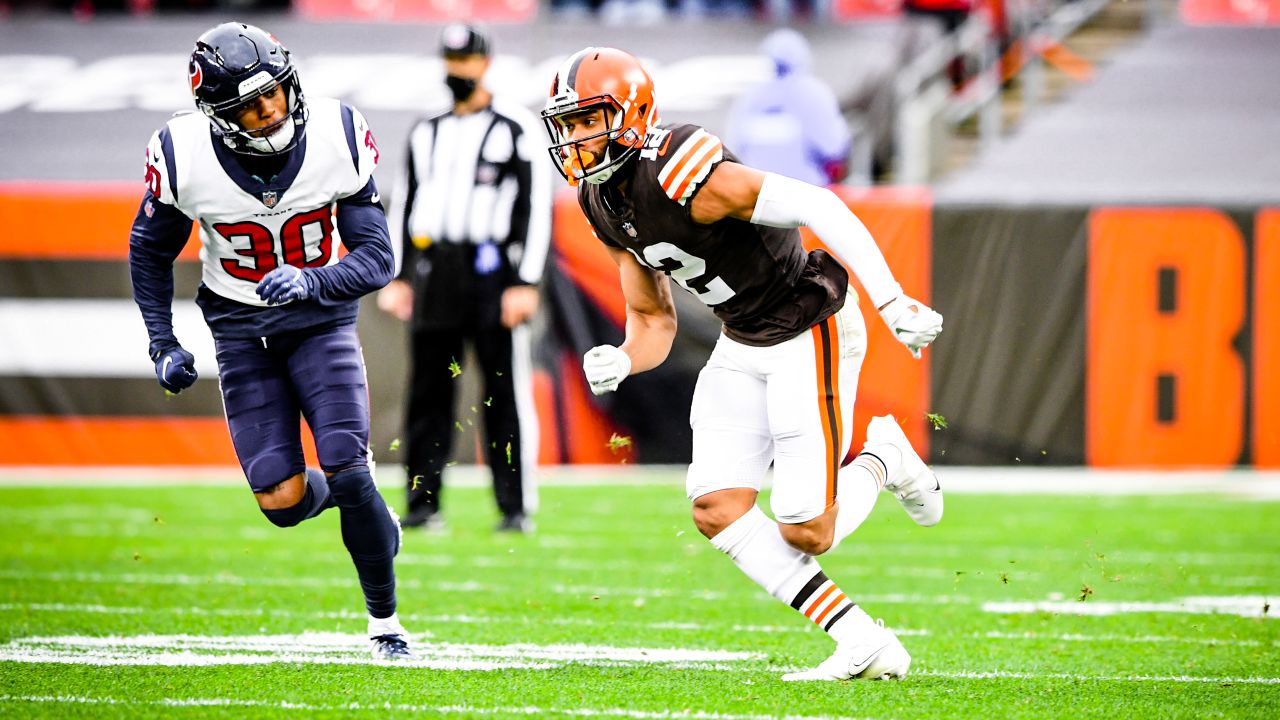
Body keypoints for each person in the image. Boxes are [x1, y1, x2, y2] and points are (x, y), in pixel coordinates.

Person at [540, 47, 944, 681]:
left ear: (632, 113)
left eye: (587, 119)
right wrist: (622, 358)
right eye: (565, 125)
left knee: (809, 531)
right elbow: (653, 321)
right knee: (715, 506)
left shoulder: (681, 169)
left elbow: (821, 205)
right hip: (743, 339)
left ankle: (884, 458)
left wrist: (891, 298)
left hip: (809, 325)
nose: (574, 139)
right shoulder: (603, 204)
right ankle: (863, 640)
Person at [127, 22, 413, 660]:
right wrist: (162, 342)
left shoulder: (337, 135)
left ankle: (385, 623)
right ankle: (353, 504)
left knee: (346, 462)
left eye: (277, 93)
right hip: (238, 330)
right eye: (252, 105)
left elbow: (377, 258)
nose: (272, 111)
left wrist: (314, 281)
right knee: (281, 502)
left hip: (321, 323)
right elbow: (149, 251)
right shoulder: (184, 153)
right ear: (219, 114)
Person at [379, 24, 550, 534]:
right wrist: (401, 274)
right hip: (435, 270)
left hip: (492, 271)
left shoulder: (514, 128)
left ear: (485, 63)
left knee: (501, 393)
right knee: (428, 394)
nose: (458, 70)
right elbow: (405, 204)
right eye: (451, 60)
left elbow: (534, 207)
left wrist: (525, 280)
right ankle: (422, 505)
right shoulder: (425, 130)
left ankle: (514, 507)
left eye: (467, 59)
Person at [727, 28, 850, 186]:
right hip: (807, 190)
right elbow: (833, 146)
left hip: (757, 193)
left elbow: (734, 146)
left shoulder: (751, 96)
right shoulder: (814, 94)